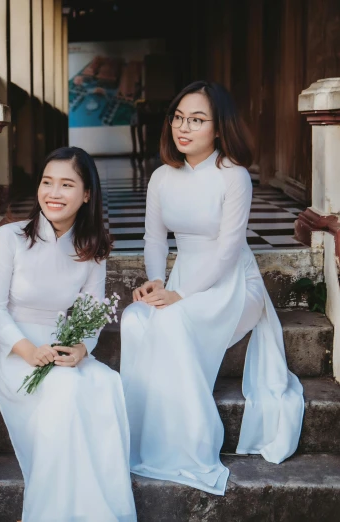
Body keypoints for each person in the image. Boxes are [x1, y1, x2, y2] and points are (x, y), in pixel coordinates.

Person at [120, 81, 304, 495]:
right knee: (135, 320)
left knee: (169, 323)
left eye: (197, 120)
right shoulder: (162, 178)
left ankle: (190, 443)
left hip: (234, 284)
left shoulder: (234, 177)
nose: (184, 128)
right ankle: (142, 436)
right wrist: (156, 282)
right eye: (179, 118)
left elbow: (227, 251)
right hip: (182, 278)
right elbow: (154, 239)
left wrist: (180, 296)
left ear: (219, 128)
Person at [0, 147, 137, 521]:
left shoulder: (91, 249)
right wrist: (29, 351)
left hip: (60, 346)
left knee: (105, 384)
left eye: (66, 184)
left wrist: (82, 348)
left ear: (86, 195)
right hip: (9, 350)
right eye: (47, 182)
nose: (53, 193)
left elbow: (92, 315)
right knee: (66, 389)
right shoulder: (10, 237)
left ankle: (98, 509)